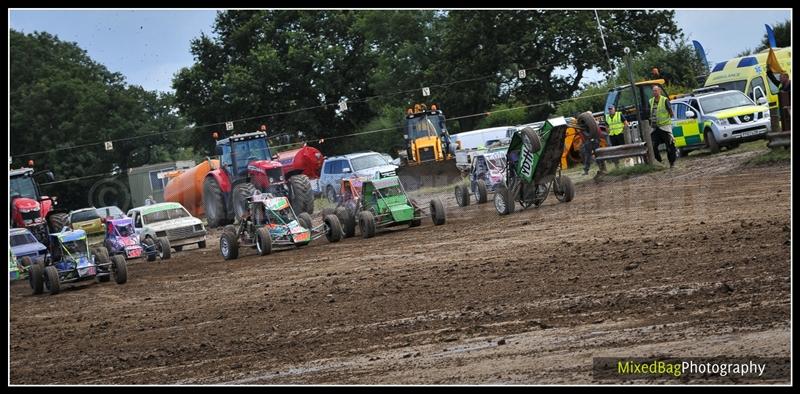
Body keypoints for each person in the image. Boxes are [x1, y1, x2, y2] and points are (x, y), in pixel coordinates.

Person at [648, 86, 677, 168]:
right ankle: (659, 161)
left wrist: (668, 119)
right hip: (655, 127)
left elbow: (670, 112)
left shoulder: (664, 100)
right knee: (652, 145)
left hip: (665, 126)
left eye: (656, 91)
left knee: (670, 145)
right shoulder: (651, 101)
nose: (655, 92)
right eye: (653, 91)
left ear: (660, 91)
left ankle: (672, 162)